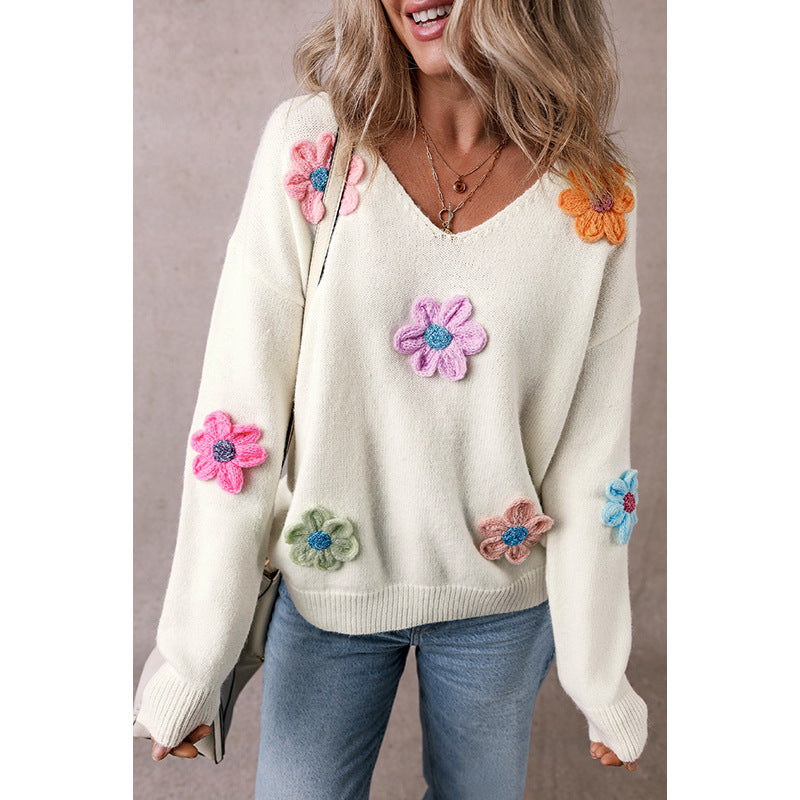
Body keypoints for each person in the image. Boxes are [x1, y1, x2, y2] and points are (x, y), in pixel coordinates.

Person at [136, 0, 649, 797]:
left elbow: (594, 461)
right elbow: (236, 422)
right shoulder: (314, 148)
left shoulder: (594, 197)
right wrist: (194, 661)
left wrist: (599, 678)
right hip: (328, 591)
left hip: (499, 615)